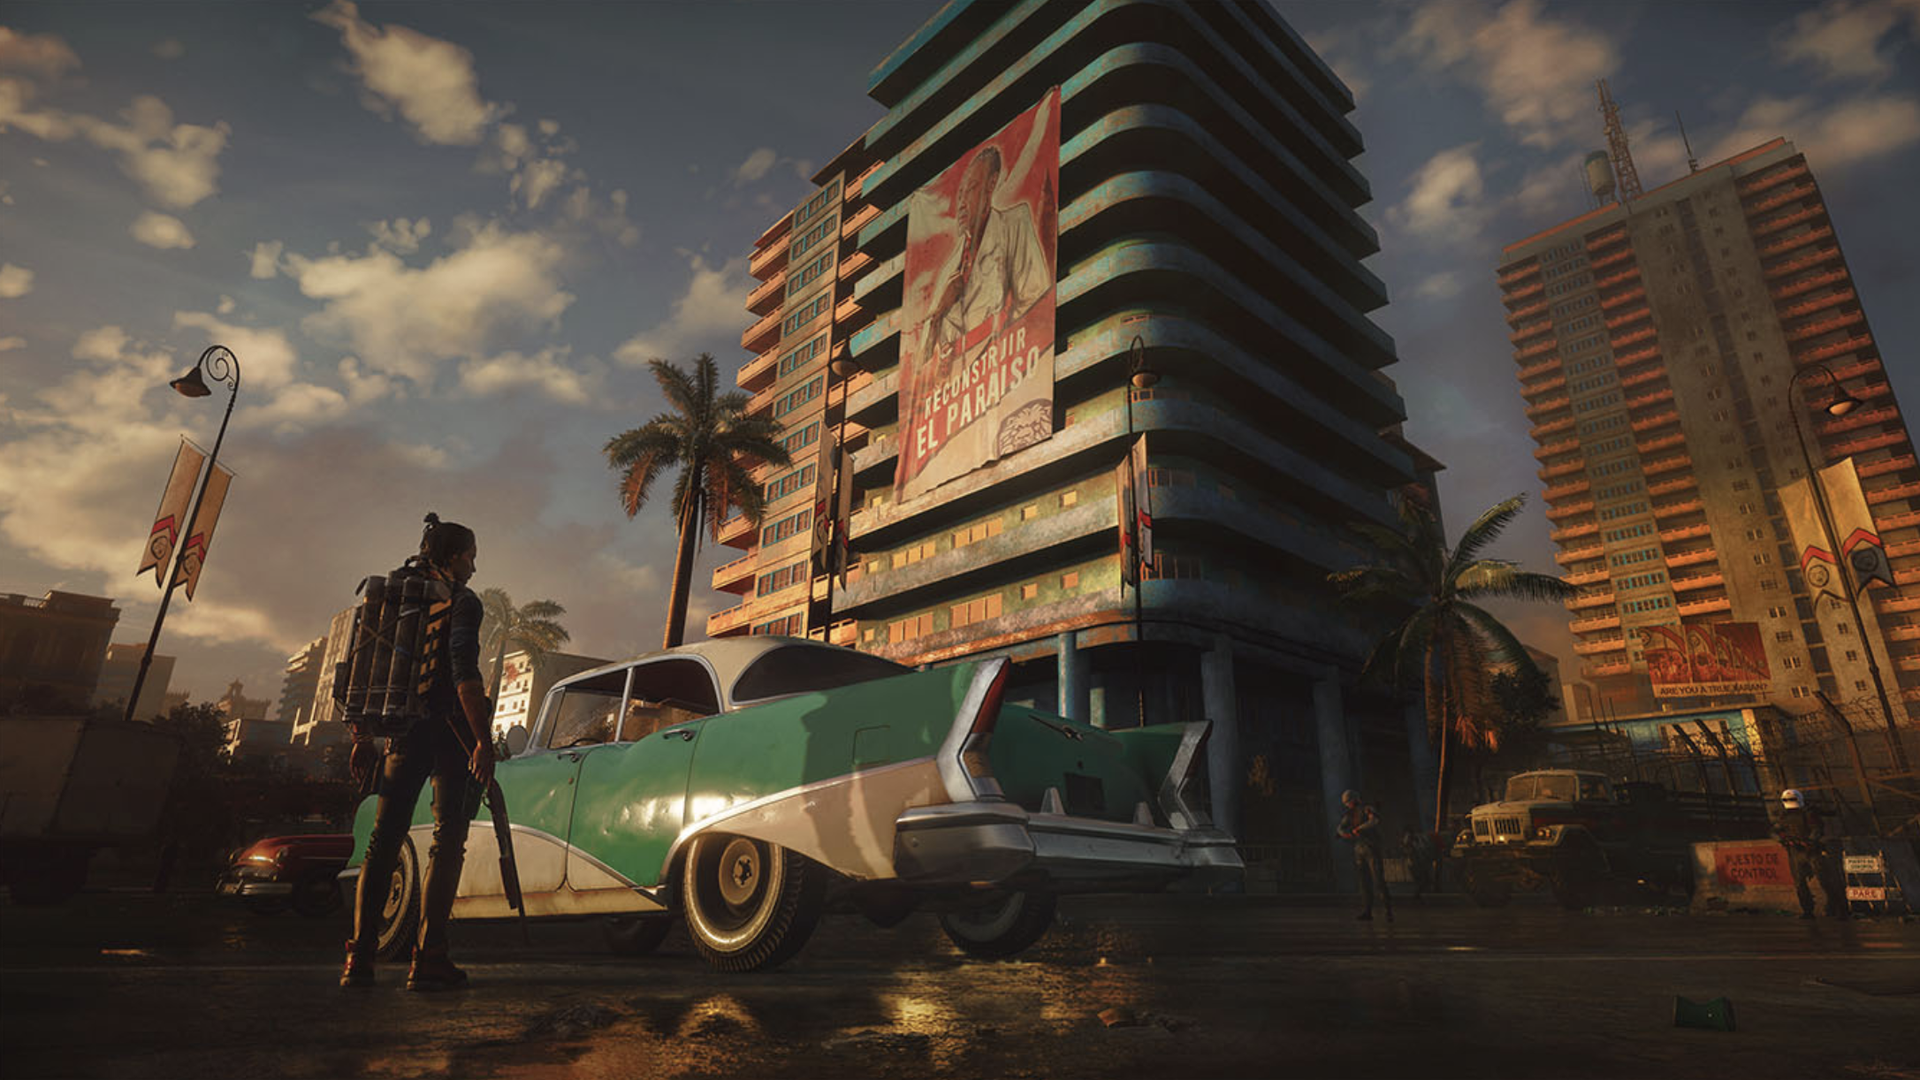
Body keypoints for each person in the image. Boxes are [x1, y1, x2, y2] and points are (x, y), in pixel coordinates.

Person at [342, 513, 495, 990]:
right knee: (447, 842)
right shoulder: (462, 601)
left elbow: (360, 668)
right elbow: (464, 673)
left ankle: (359, 959)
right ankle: (429, 957)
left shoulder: (390, 596)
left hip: (400, 733)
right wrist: (483, 742)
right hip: (449, 734)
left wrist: (362, 737)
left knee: (383, 842)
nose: (474, 563)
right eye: (470, 554)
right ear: (452, 556)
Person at [1773, 788, 1847, 920]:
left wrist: (1810, 842)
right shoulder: (1785, 815)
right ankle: (1809, 911)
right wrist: (1784, 839)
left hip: (1811, 851)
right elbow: (1775, 831)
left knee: (1825, 881)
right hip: (1797, 851)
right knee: (1800, 883)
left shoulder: (1808, 813)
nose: (1790, 802)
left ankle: (1837, 909)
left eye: (1791, 799)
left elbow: (1817, 829)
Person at [1337, 789, 1393, 922]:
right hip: (1360, 849)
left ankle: (1388, 911)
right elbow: (1339, 828)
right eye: (1347, 803)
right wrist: (1344, 833)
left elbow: (1374, 821)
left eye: (1349, 802)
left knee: (1378, 880)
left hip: (1371, 848)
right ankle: (1368, 911)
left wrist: (1358, 829)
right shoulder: (1349, 814)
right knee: (1364, 883)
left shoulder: (1367, 809)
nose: (1349, 805)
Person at [1400, 825, 1437, 901]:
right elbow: (1408, 850)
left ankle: (1418, 896)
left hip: (1418, 862)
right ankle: (1417, 896)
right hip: (1415, 863)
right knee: (1422, 880)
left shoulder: (1415, 839)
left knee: (1423, 880)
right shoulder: (1411, 840)